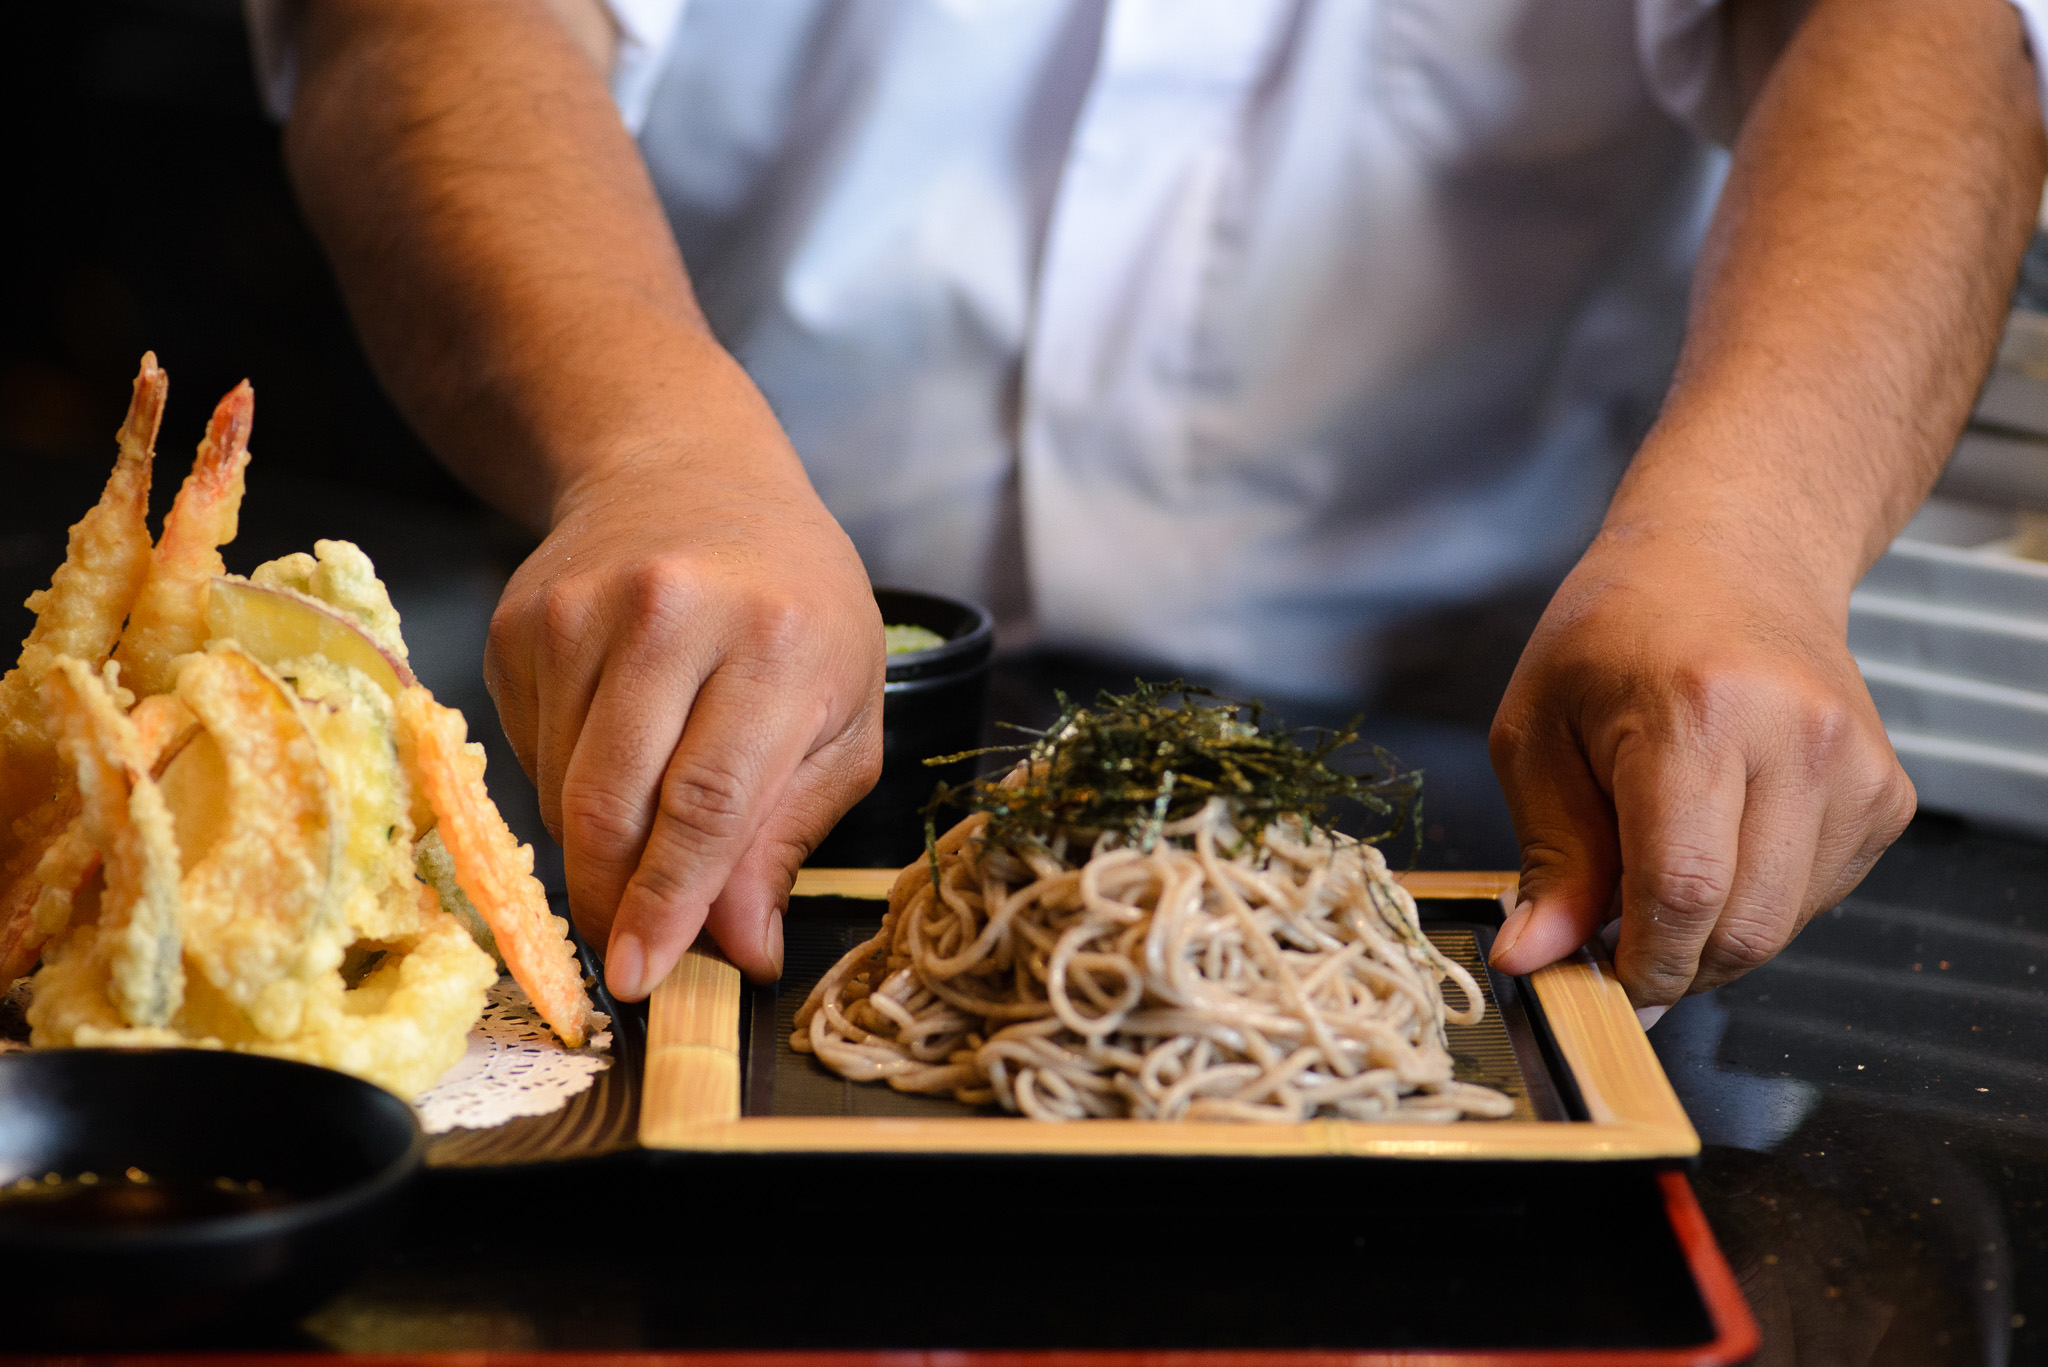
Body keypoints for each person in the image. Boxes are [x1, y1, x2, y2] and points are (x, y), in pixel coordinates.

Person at [249, 0, 2047, 1017]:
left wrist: (1751, 537)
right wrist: (649, 446)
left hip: (1497, 740)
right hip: (702, 653)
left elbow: (1917, 30)